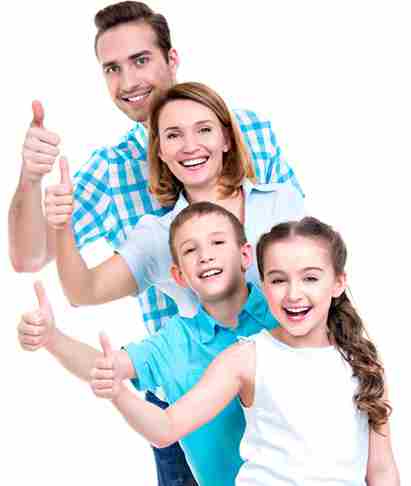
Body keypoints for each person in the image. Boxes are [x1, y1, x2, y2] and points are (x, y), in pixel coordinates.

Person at [9, 2, 301, 483]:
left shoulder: (255, 141)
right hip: (186, 391)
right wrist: (31, 179)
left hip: (286, 384)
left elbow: (312, 260)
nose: (129, 81)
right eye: (112, 68)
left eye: (141, 60)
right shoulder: (126, 194)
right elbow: (32, 260)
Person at [89, 216, 399, 485]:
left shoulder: (362, 362)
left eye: (310, 278)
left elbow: (381, 470)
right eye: (278, 280)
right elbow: (166, 428)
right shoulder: (246, 358)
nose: (293, 293)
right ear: (263, 285)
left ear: (338, 283)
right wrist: (119, 393)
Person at [18, 202, 281, 486]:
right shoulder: (175, 342)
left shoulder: (283, 315)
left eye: (217, 242)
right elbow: (105, 367)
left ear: (245, 255)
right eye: (190, 250)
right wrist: (52, 338)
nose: (205, 256)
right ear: (179, 275)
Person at [50, 82, 305, 318]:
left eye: (204, 130)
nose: (190, 146)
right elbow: (83, 292)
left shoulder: (283, 201)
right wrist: (62, 225)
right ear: (160, 150)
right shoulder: (158, 236)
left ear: (226, 139)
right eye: (174, 135)